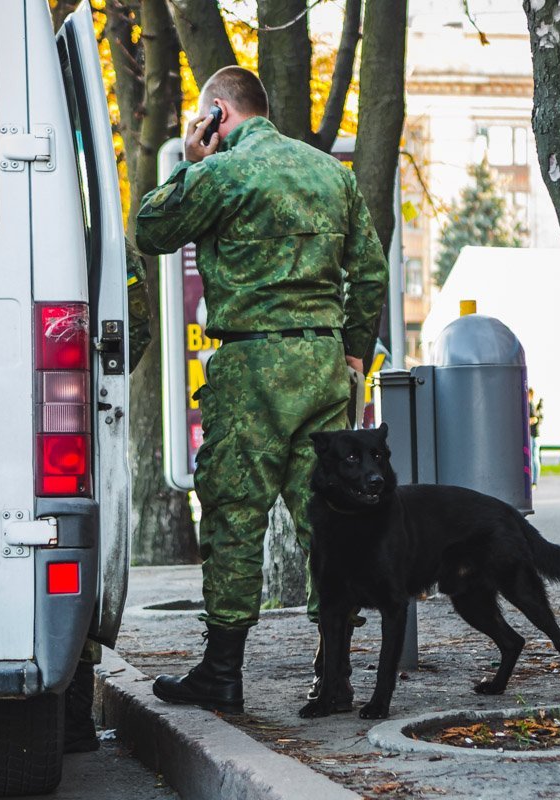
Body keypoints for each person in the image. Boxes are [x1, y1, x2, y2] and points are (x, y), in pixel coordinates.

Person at [134, 66, 388, 712]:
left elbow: (151, 229)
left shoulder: (222, 173)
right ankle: (334, 677)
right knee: (328, 522)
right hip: (327, 362)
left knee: (234, 515)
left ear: (218, 113)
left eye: (204, 118)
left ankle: (222, 671)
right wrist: (353, 352)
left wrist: (191, 161)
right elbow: (369, 272)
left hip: (251, 366)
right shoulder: (332, 173)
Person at [63, 242, 152, 753]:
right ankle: (72, 717)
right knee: (75, 552)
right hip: (70, 406)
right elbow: (131, 331)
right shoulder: (101, 242)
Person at [529, 387, 543, 488]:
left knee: (534, 458)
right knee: (533, 458)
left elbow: (535, 419)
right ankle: (534, 481)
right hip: (534, 435)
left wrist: (527, 421)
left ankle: (534, 481)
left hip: (534, 435)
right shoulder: (533, 405)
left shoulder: (531, 405)